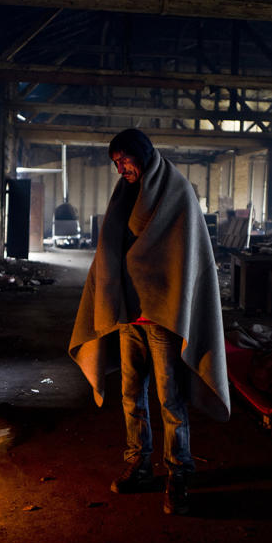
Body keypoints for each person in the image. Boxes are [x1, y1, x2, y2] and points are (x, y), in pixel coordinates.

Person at [69, 128, 230, 515]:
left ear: (143, 155)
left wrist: (141, 272)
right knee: (130, 397)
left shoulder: (178, 191)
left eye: (125, 159)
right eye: (116, 162)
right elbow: (112, 247)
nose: (120, 168)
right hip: (129, 317)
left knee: (170, 399)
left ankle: (179, 474)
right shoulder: (125, 193)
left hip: (161, 317)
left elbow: (182, 255)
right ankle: (138, 465)